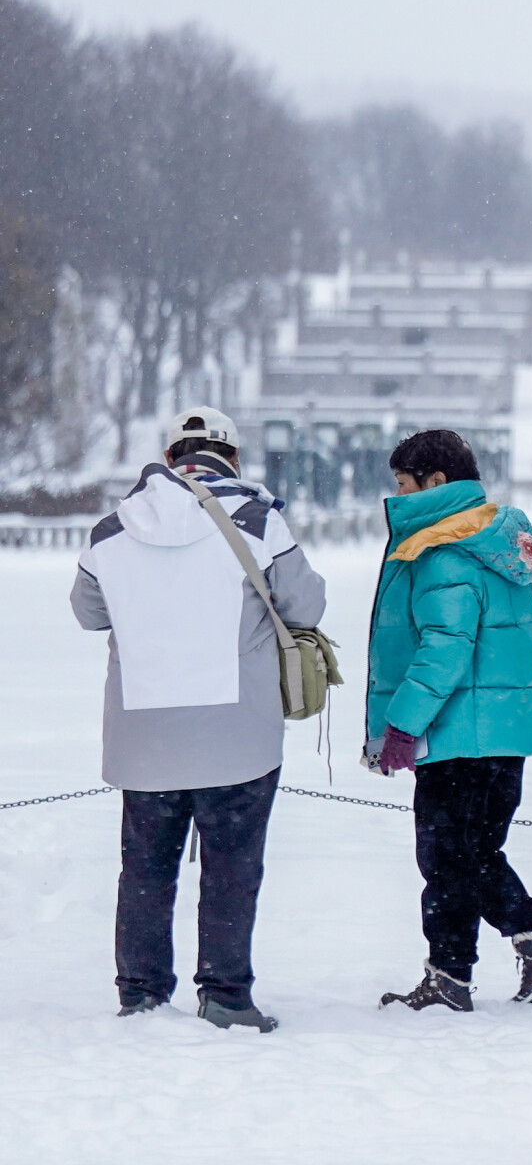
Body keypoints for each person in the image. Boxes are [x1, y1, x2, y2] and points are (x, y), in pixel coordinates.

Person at [71, 406, 326, 1031]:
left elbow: (86, 611)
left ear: (170, 456)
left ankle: (140, 991)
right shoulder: (259, 521)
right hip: (238, 732)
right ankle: (226, 996)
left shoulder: (112, 528)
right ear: (231, 458)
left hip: (144, 734)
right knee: (233, 868)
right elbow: (307, 603)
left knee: (146, 869)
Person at [367, 429, 532, 1013]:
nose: (397, 496)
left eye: (403, 484)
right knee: (466, 854)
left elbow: (444, 649)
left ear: (436, 484)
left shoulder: (444, 552)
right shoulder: (487, 541)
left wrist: (401, 726)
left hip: (460, 731)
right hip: (500, 728)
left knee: (455, 857)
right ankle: (450, 977)